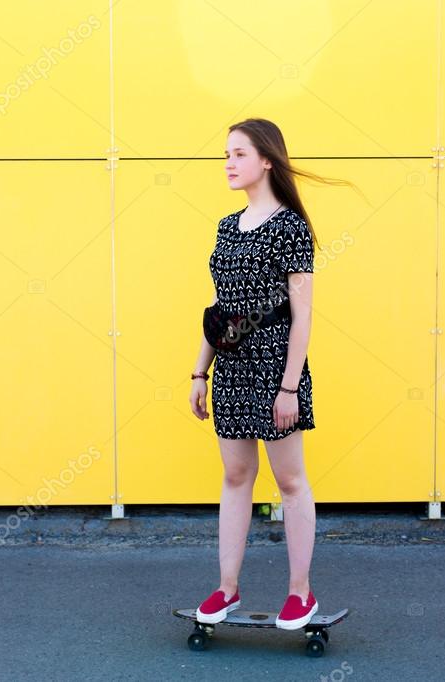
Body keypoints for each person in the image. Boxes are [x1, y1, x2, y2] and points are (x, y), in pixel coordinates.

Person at [188, 118, 350, 630]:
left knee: (290, 479)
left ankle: (301, 595)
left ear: (266, 160)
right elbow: (219, 309)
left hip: (277, 366)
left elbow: (302, 314)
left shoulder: (291, 228)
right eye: (226, 155)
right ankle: (226, 589)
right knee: (236, 476)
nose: (228, 164)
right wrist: (199, 372)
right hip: (233, 366)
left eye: (238, 154)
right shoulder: (224, 228)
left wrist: (289, 385)